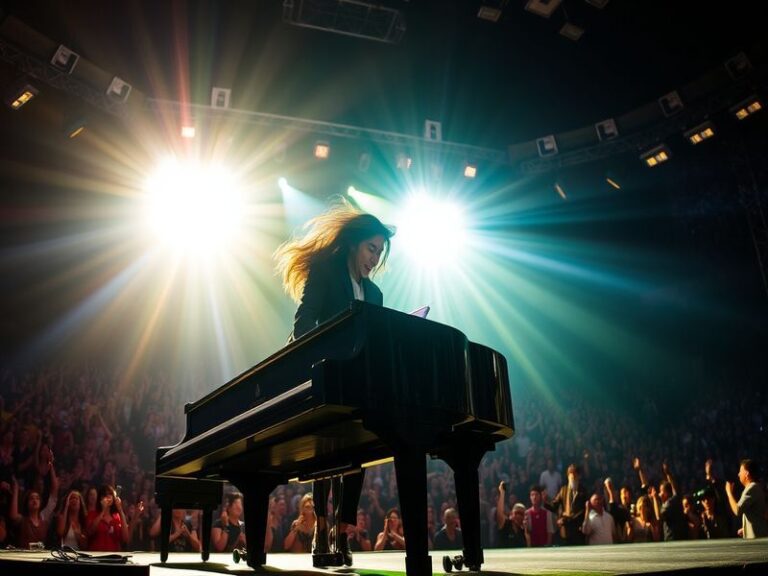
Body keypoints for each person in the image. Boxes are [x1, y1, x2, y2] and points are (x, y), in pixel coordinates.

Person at [275, 202, 394, 563]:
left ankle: (341, 536)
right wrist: (320, 362)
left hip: (358, 382)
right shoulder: (326, 269)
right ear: (355, 244)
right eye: (371, 248)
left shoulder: (375, 295)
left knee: (357, 454)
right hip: (324, 375)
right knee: (326, 452)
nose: (375, 258)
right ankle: (320, 533)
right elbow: (303, 322)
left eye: (379, 252)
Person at [544, 463, 587, 545]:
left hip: (577, 532)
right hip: (564, 532)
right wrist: (545, 501)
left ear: (579, 476)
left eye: (574, 476)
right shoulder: (563, 490)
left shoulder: (583, 492)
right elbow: (554, 506)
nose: (572, 479)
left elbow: (582, 512)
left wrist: (566, 520)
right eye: (570, 476)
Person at [725, 459, 768, 539]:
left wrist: (729, 493)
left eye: (740, 471)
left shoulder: (752, 488)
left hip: (757, 541)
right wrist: (746, 528)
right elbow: (757, 514)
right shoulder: (756, 487)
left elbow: (737, 510)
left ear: (747, 474)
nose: (738, 474)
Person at [86, 484, 131, 551]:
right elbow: (90, 532)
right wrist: (103, 511)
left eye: (110, 494)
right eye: (104, 495)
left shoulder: (117, 516)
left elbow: (125, 538)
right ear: (100, 498)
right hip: (96, 554)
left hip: (113, 556)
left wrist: (120, 510)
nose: (108, 496)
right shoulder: (92, 514)